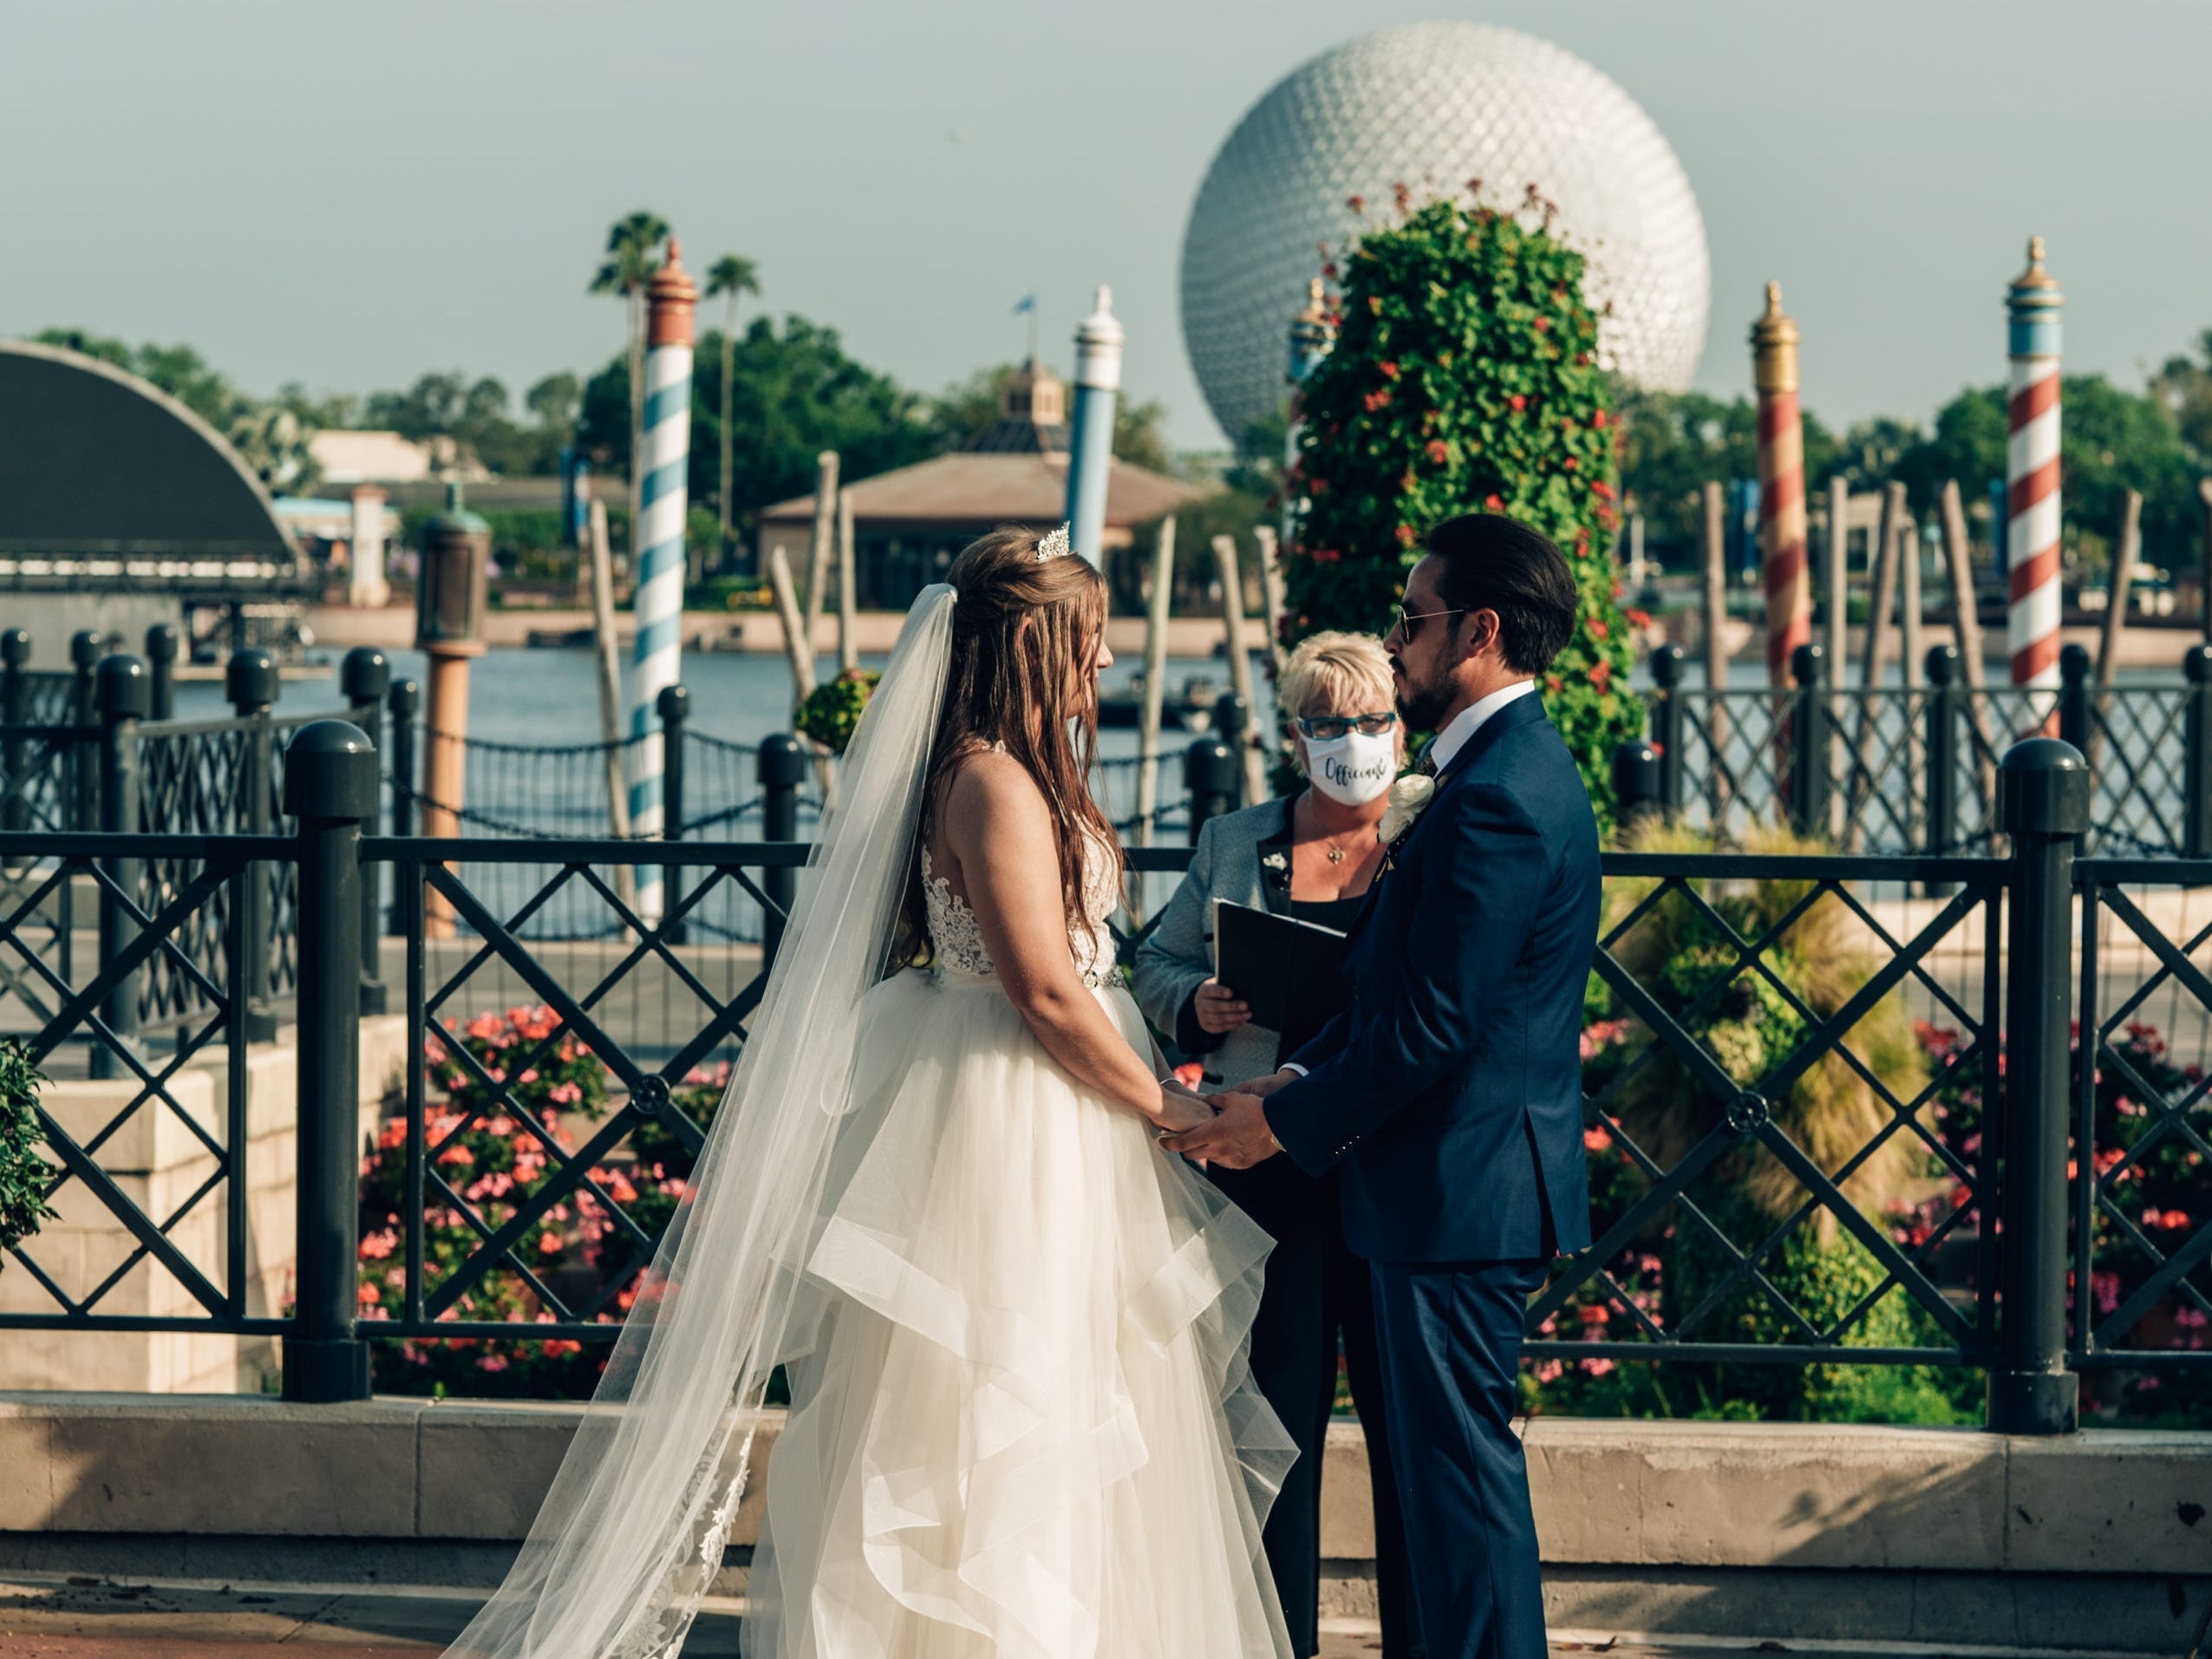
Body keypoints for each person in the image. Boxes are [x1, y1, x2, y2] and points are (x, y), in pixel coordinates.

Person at [444, 525, 1295, 1659]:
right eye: (1089, 644)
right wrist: (1169, 1105)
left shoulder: (1019, 773)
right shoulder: (989, 781)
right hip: (1004, 1113)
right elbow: (1041, 989)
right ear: (1036, 646)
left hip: (1054, 1106)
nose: (1105, 669)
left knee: (1065, 1380)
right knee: (974, 1394)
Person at [1168, 513, 1601, 1659]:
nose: (1395, 643)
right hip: (1437, 1189)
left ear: (1480, 630)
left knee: (1458, 1504)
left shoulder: (1497, 795)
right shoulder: (1483, 775)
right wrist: (1293, 1079)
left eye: (1410, 620)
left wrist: (1278, 1121)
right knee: (1430, 1502)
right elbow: (1398, 996)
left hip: (1456, 1196)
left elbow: (1436, 1024)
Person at [1131, 630, 1418, 1659]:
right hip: (1261, 1155)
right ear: (1294, 734)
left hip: (1385, 1152)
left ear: (1400, 724)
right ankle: (1273, 1637)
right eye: (1329, 723)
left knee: (1403, 1428)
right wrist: (1197, 1005)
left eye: (1372, 720)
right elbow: (1152, 961)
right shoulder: (1233, 837)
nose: (1353, 742)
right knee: (1275, 1414)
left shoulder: (1429, 834)